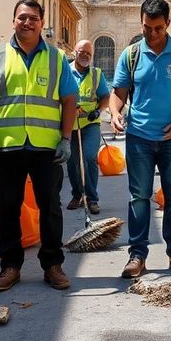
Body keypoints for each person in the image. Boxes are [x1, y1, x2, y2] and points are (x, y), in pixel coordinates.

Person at [0, 0, 78, 292]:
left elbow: (69, 99)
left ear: (42, 23)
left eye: (33, 18)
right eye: (22, 17)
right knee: (7, 206)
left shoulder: (57, 59)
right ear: (14, 21)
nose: (27, 23)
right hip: (8, 145)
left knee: (50, 206)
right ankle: (10, 266)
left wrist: (66, 138)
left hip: (47, 147)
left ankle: (53, 265)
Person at [109, 0, 171, 279]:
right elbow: (118, 93)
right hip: (139, 138)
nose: (152, 34)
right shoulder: (131, 54)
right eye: (147, 28)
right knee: (139, 197)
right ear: (141, 23)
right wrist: (114, 113)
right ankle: (137, 256)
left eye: (158, 28)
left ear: (168, 24)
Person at [66, 39, 110, 214]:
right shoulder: (65, 72)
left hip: (90, 123)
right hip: (70, 123)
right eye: (82, 52)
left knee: (90, 158)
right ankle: (77, 195)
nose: (85, 56)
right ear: (74, 52)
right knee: (72, 161)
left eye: (88, 54)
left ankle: (92, 199)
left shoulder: (96, 74)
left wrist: (98, 111)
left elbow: (105, 97)